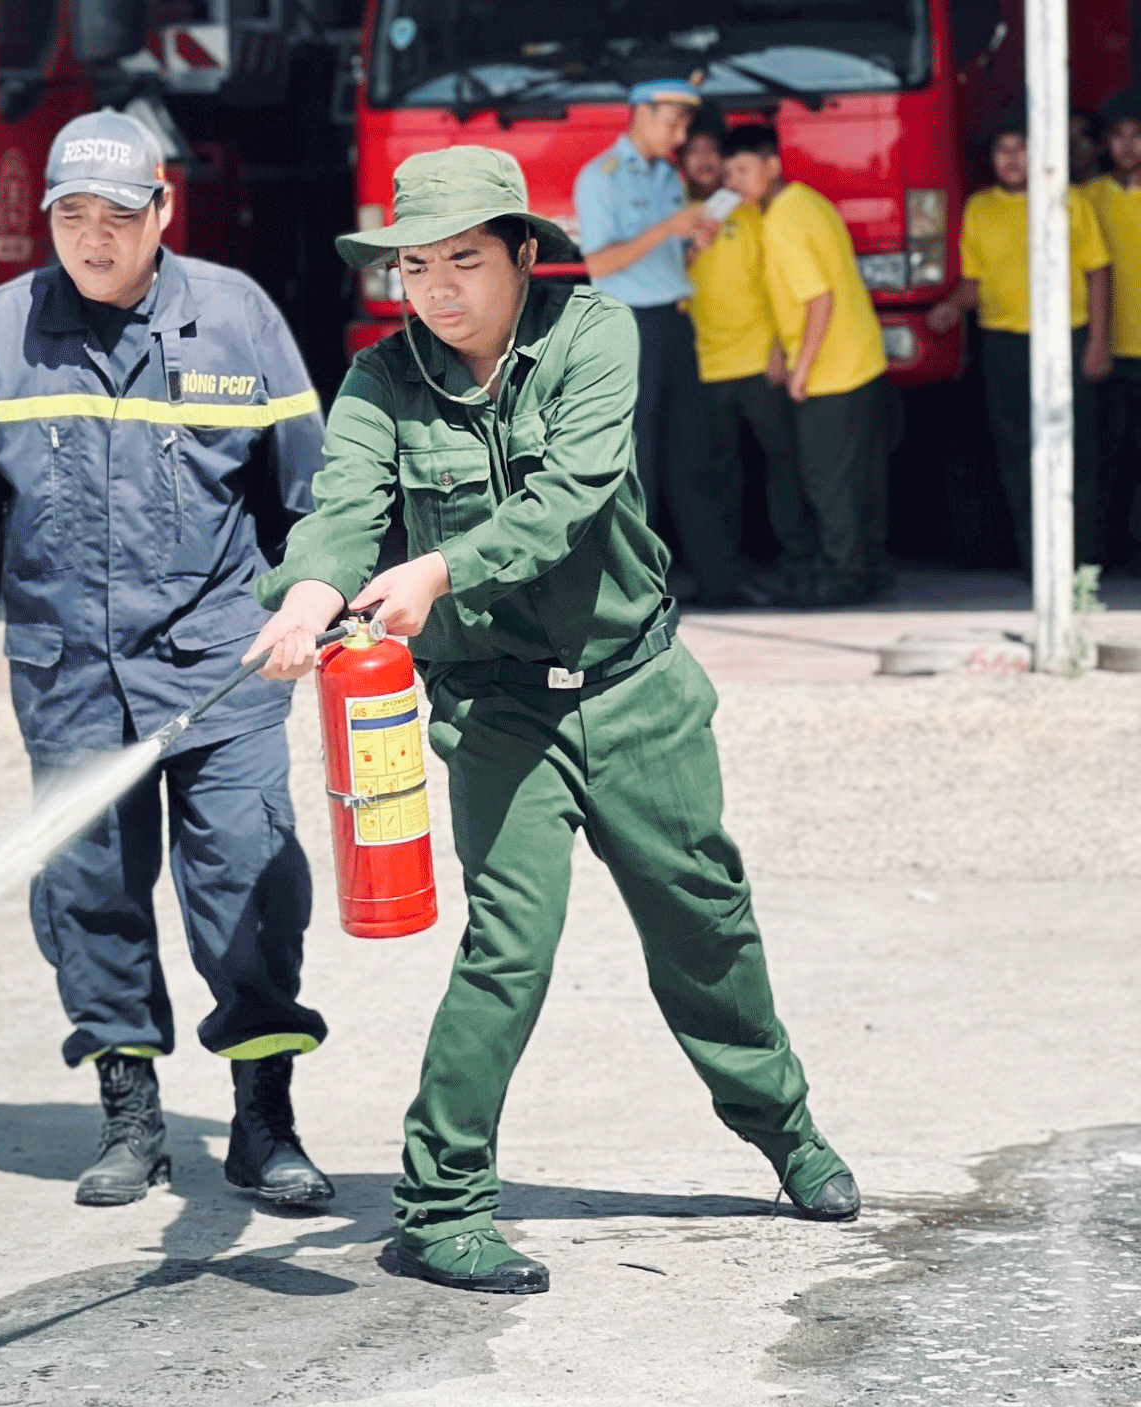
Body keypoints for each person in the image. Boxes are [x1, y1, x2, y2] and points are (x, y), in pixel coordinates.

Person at [248, 145, 858, 1295]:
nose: (437, 287)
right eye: (414, 264)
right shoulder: (380, 382)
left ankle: (788, 1134)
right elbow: (340, 513)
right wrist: (314, 595)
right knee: (507, 949)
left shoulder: (595, 337)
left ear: (524, 255)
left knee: (705, 925)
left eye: (464, 260)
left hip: (636, 689)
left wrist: (435, 570)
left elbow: (567, 501)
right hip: (497, 710)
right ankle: (439, 1208)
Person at [0, 111, 335, 1210]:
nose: (93, 238)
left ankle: (264, 1118)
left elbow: (316, 496)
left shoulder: (240, 320)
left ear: (162, 211)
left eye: (116, 217)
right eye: (71, 216)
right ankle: (130, 1116)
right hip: (70, 673)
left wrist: (315, 606)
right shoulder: (0, 330)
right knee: (89, 894)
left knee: (246, 881)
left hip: (225, 668)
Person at [574, 79, 761, 608]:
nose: (680, 137)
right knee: (638, 461)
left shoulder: (667, 177)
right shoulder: (600, 178)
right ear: (640, 114)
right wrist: (666, 228)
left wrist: (692, 240)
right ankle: (635, 591)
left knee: (695, 454)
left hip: (676, 322)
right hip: (630, 325)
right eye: (673, 124)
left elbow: (666, 259)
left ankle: (719, 579)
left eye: (685, 126)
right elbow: (599, 263)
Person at [928, 106, 1111, 569]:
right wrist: (952, 305)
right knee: (1016, 453)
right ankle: (1038, 563)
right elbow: (975, 280)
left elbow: (1098, 273)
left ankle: (1080, 564)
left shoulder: (1069, 201)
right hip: (1004, 342)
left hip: (1067, 337)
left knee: (1076, 452)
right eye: (1002, 150)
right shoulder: (979, 208)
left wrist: (1097, 343)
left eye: (1021, 148)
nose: (1012, 159)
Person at [723, 124, 893, 604]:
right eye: (729, 173)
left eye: (744, 170)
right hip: (863, 357)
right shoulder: (807, 200)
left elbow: (818, 298)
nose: (735, 182)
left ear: (772, 165)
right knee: (864, 475)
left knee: (826, 480)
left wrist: (801, 371)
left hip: (831, 370)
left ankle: (843, 579)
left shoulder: (780, 224)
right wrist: (781, 347)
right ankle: (873, 568)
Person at [680, 113, 812, 597]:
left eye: (712, 151)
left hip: (759, 360)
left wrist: (780, 345)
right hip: (704, 366)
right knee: (719, 478)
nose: (704, 161)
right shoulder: (678, 217)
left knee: (784, 468)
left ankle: (800, 568)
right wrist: (687, 250)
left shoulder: (754, 212)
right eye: (693, 152)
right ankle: (728, 576)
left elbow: (777, 283)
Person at [1086, 90, 1141, 572]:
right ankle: (1109, 550)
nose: (1128, 146)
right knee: (1113, 457)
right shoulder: (1090, 197)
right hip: (1116, 348)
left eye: (1137, 135)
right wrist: (1096, 343)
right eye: (1119, 136)